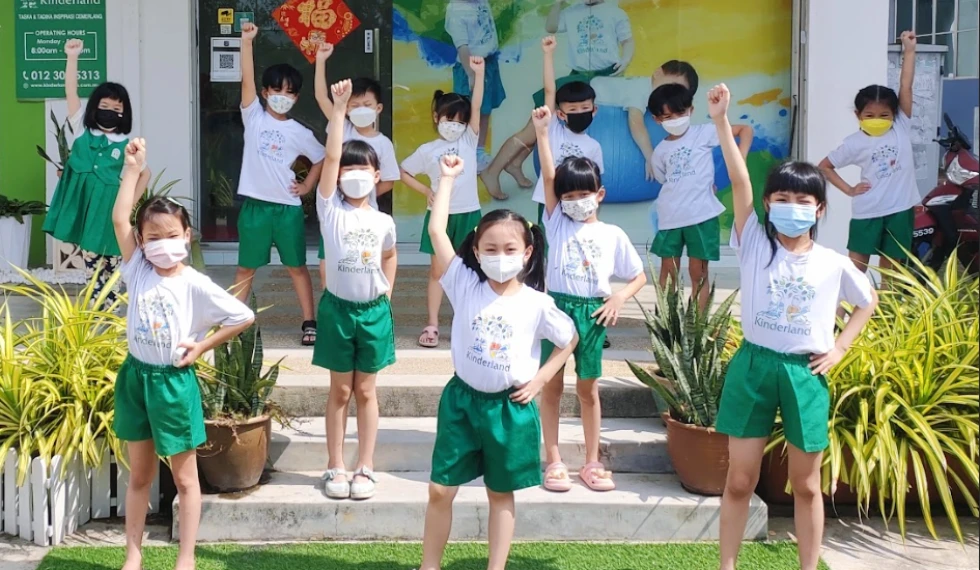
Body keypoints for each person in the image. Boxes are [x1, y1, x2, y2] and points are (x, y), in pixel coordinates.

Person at [709, 83, 877, 570]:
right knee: (740, 480)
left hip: (805, 373)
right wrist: (721, 121)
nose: (791, 206)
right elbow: (739, 180)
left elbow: (867, 302)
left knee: (806, 484)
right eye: (781, 197)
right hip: (753, 367)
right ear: (767, 204)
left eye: (803, 200)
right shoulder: (754, 244)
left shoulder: (833, 263)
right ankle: (727, 565)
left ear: (819, 208)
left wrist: (840, 348)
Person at [417, 154, 578, 570]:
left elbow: (569, 338)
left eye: (509, 249)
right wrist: (447, 178)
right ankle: (428, 565)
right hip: (461, 403)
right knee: (439, 489)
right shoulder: (463, 282)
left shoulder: (538, 303)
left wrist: (541, 379)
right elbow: (436, 229)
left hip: (509, 410)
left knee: (500, 493)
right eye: (490, 248)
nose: (500, 256)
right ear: (476, 250)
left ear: (527, 252)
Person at [111, 138, 255, 570]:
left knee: (185, 478)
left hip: (174, 384)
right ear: (141, 240)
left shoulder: (195, 282)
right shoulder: (137, 267)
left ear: (187, 235)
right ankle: (133, 556)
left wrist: (202, 345)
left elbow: (243, 316)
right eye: (153, 237)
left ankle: (186, 558)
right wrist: (133, 169)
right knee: (139, 475)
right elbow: (119, 216)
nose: (163, 244)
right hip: (136, 378)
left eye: (172, 235)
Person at [531, 105, 646, 493]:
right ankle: (554, 461)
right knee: (551, 387)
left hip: (593, 314)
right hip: (556, 310)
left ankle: (592, 462)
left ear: (599, 195)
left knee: (588, 389)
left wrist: (618, 298)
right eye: (569, 196)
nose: (576, 201)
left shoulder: (613, 234)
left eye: (584, 194)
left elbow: (638, 276)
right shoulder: (557, 223)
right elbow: (550, 176)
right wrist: (543, 134)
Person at [315, 80, 398, 501]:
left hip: (373, 313)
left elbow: (390, 255)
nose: (354, 176)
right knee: (340, 391)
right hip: (337, 311)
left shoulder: (384, 221)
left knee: (366, 390)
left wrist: (388, 294)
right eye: (347, 171)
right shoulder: (330, 210)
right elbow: (332, 155)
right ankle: (336, 465)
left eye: (363, 170)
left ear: (376, 175)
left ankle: (365, 465)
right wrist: (339, 109)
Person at [232, 22, 325, 346]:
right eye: (276, 91)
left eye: (289, 92)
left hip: (287, 209)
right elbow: (246, 78)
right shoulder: (254, 117)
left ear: (296, 97)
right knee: (245, 269)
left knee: (297, 267)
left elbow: (321, 158)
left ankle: (309, 322)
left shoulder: (300, 132)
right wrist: (247, 42)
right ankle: (234, 322)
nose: (282, 97)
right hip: (255, 207)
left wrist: (308, 185)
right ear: (264, 93)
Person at [479, 0, 632, 195]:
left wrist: (625, 59)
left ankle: (515, 163)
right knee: (535, 128)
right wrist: (558, 3)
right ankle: (492, 171)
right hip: (578, 78)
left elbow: (627, 40)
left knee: (543, 128)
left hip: (606, 76)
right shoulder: (573, 11)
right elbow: (551, 27)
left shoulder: (615, 12)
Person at [43, 38, 150, 307]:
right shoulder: (82, 128)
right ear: (94, 108)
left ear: (125, 113)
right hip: (86, 208)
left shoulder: (126, 144)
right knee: (91, 261)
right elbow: (71, 92)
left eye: (117, 109)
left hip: (109, 208)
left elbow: (145, 174)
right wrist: (72, 57)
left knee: (112, 260)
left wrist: (129, 205)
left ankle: (110, 310)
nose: (110, 113)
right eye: (104, 107)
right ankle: (97, 310)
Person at [400, 57, 486, 349]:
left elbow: (477, 106)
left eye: (460, 122)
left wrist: (479, 74)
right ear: (437, 117)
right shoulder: (427, 150)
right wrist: (426, 190)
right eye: (450, 120)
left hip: (469, 215)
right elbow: (403, 172)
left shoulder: (469, 141)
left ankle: (469, 321)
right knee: (438, 272)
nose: (455, 126)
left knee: (473, 271)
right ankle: (433, 324)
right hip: (439, 218)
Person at [819, 31, 920, 275]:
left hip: (900, 210)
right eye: (869, 115)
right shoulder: (853, 143)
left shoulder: (901, 126)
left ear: (894, 114)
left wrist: (909, 51)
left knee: (892, 271)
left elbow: (905, 86)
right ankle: (848, 302)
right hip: (868, 210)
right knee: (856, 269)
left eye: (884, 115)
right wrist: (849, 190)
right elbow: (824, 166)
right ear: (858, 115)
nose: (877, 119)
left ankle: (886, 301)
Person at [647, 82, 753, 310]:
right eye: (668, 116)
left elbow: (745, 130)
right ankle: (668, 322)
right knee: (668, 271)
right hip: (670, 217)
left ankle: (698, 323)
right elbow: (664, 180)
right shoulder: (659, 151)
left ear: (691, 110)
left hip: (702, 216)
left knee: (699, 273)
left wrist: (740, 159)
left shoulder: (705, 132)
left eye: (680, 113)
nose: (675, 119)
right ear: (657, 119)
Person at [314, 42, 399, 290]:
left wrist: (362, 193)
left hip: (366, 211)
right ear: (347, 108)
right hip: (335, 209)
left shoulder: (383, 143)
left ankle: (367, 294)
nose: (361, 110)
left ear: (379, 108)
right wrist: (321, 60)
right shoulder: (342, 126)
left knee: (366, 258)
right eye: (354, 105)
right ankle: (332, 298)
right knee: (327, 262)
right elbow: (321, 97)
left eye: (367, 105)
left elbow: (389, 180)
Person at [445, 0, 507, 172]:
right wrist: (471, 74)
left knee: (485, 111)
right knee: (469, 112)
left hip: (489, 63)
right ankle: (466, 153)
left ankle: (479, 152)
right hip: (472, 66)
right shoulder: (456, 10)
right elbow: (462, 47)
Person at [627, 60, 700, 181]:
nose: (671, 97)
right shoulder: (639, 87)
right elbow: (635, 122)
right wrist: (651, 158)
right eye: (671, 87)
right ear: (658, 73)